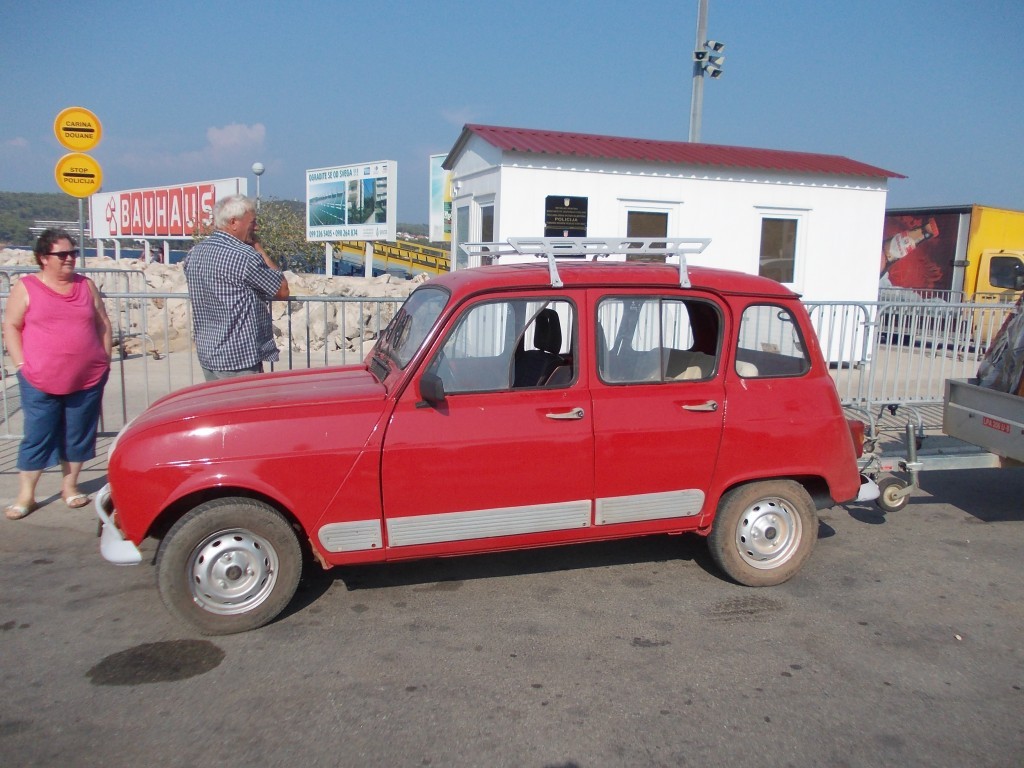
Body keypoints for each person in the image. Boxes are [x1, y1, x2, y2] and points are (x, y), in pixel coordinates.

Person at [3, 229, 112, 520]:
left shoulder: (85, 285)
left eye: (73, 253)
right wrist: (20, 365)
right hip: (39, 379)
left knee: (78, 434)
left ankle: (70, 487)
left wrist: (104, 359)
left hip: (86, 378)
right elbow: (11, 326)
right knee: (37, 435)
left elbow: (102, 323)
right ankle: (27, 494)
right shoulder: (26, 287)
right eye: (62, 254)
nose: (69, 259)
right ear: (43, 258)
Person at [184, 194, 289, 381]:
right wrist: (258, 248)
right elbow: (282, 291)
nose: (256, 227)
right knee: (247, 409)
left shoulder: (194, 253)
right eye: (253, 222)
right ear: (234, 222)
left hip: (208, 354)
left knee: (219, 408)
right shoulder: (245, 256)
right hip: (239, 359)